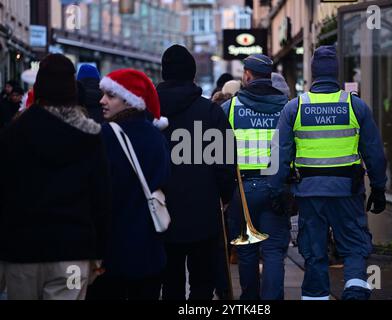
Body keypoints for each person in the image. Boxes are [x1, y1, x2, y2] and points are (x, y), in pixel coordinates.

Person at [269, 45, 387, 300]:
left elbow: (280, 156)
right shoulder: (356, 106)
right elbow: (375, 153)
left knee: (314, 252)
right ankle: (355, 293)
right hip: (347, 192)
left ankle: (316, 297)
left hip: (310, 194)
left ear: (313, 73)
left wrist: (278, 191)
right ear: (336, 72)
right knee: (354, 248)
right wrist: (379, 188)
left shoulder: (295, 107)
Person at [0, 53, 112, 300]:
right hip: (72, 255)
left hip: (22, 255)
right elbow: (101, 198)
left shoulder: (14, 133)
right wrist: (101, 250)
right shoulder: (90, 135)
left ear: (39, 86)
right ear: (72, 88)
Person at [157, 45, 236, 300]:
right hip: (203, 212)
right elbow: (225, 163)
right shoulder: (210, 111)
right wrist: (225, 196)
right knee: (202, 283)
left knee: (170, 284)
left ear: (163, 74)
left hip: (162, 212)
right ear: (193, 75)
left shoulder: (150, 112)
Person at [86, 68, 170, 300]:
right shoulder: (157, 138)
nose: (102, 100)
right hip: (149, 253)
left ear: (130, 101)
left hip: (110, 255)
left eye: (110, 95)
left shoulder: (103, 137)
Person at [221, 54, 290, 300]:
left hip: (241, 191)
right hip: (276, 187)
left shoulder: (229, 108)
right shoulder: (286, 107)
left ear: (247, 75)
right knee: (273, 251)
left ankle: (249, 301)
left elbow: (219, 154)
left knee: (247, 252)